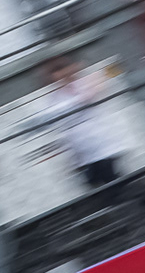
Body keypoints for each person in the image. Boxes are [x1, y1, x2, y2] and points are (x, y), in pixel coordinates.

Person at [31, 54, 131, 189]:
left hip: (102, 145)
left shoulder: (82, 83)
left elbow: (108, 77)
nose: (63, 74)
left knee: (112, 181)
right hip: (82, 152)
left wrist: (95, 80)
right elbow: (61, 111)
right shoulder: (54, 97)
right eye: (57, 72)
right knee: (97, 184)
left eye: (65, 68)